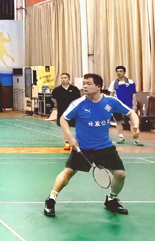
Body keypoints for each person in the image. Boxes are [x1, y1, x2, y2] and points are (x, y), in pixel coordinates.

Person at [43, 73, 140, 218]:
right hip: (82, 148)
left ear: (98, 87)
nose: (85, 86)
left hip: (105, 147)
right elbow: (63, 119)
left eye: (88, 83)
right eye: (84, 83)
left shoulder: (110, 101)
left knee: (120, 174)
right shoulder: (78, 103)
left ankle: (112, 199)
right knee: (68, 172)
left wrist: (136, 125)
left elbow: (131, 113)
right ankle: (51, 200)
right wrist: (69, 137)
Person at [107, 66, 142, 145]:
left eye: (121, 71)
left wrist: (134, 105)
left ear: (124, 72)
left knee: (131, 122)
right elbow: (111, 94)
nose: (119, 73)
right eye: (118, 71)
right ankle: (121, 137)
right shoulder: (114, 83)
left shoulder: (130, 82)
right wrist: (111, 104)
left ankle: (135, 139)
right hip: (117, 106)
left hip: (128, 105)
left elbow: (133, 94)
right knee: (118, 121)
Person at [51, 73, 81, 151]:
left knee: (77, 126)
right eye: (62, 78)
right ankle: (67, 142)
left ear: (69, 79)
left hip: (73, 111)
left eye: (65, 78)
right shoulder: (57, 90)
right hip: (62, 111)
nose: (63, 79)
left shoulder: (74, 89)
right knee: (64, 127)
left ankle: (77, 141)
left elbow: (78, 100)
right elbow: (53, 99)